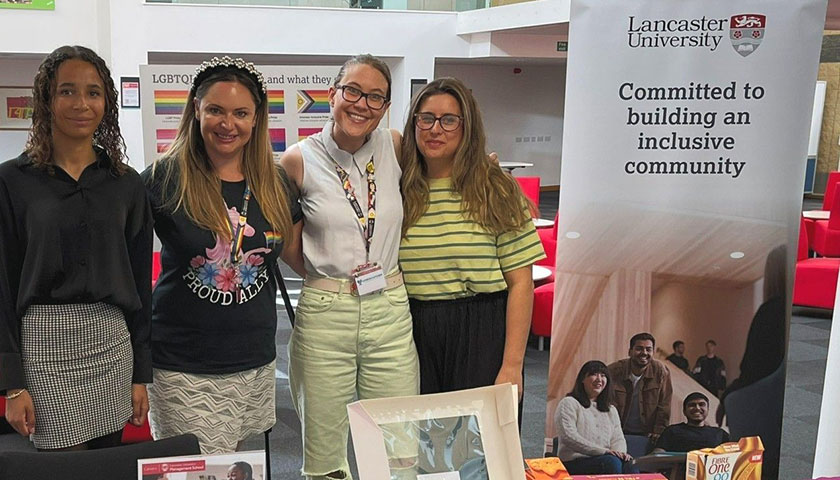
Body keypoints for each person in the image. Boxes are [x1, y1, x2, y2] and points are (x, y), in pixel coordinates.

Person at [142, 56, 301, 454]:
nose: (227, 124)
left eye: (240, 113)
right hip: (185, 363)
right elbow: (127, 265)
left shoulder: (275, 181)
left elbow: (298, 252)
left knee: (239, 468)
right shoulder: (165, 177)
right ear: (196, 109)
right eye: (215, 110)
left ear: (256, 118)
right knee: (196, 469)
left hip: (255, 359)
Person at [0, 45, 152, 450]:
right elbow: (1, 286)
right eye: (67, 91)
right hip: (43, 348)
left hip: (111, 346)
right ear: (46, 100)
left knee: (107, 468)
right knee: (61, 469)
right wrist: (12, 385)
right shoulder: (12, 181)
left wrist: (141, 373)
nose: (81, 103)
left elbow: (140, 284)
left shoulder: (126, 184)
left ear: (107, 102)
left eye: (93, 92)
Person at [280, 54, 419, 480]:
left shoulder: (395, 146)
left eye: (375, 97)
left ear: (386, 107)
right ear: (332, 94)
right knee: (324, 457)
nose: (362, 104)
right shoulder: (298, 159)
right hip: (325, 314)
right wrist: (328, 279)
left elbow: (451, 170)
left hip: (390, 311)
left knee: (398, 447)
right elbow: (287, 243)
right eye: (353, 91)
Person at [399, 77, 544, 400]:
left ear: (468, 127)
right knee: (420, 443)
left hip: (482, 330)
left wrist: (512, 365)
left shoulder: (497, 189)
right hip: (412, 329)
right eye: (426, 118)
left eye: (449, 120)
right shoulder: (399, 190)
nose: (435, 129)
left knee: (479, 445)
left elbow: (521, 284)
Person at [554, 361, 636, 474]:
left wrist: (620, 453)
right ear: (582, 379)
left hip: (606, 458)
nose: (599, 379)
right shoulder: (569, 403)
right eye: (594, 374)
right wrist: (603, 451)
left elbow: (618, 438)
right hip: (574, 461)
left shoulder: (611, 409)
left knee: (631, 465)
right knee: (611, 463)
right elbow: (569, 437)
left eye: (603, 375)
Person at [608, 332, 673, 443]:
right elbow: (604, 402)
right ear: (630, 351)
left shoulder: (661, 371)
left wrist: (659, 431)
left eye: (648, 349)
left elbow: (664, 405)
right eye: (639, 349)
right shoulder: (614, 370)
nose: (644, 353)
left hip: (648, 433)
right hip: (617, 432)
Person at [653, 392, 729, 453]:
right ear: (684, 411)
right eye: (692, 405)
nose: (697, 408)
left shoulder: (719, 433)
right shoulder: (672, 431)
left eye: (701, 404)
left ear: (708, 410)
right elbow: (658, 454)